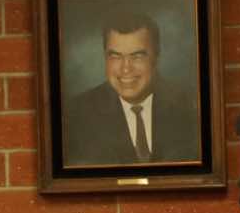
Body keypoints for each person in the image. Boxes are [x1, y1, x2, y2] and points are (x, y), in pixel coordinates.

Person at [62, 11, 202, 168]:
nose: (126, 68)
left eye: (137, 56)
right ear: (105, 57)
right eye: (115, 56)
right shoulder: (76, 115)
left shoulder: (192, 106)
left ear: (156, 57)